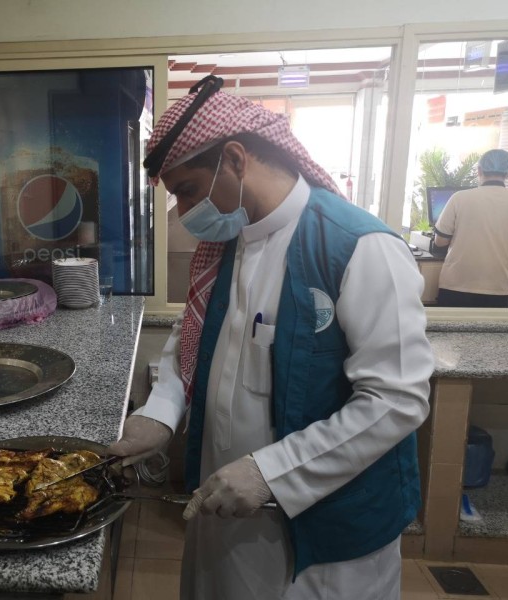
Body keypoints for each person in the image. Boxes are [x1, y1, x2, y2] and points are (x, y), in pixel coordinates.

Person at [106, 75, 434, 600]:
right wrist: (159, 414)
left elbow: (396, 399)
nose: (184, 213)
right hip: (225, 507)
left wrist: (272, 473)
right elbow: (193, 341)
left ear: (235, 160)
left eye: (187, 191)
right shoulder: (229, 241)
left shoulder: (359, 247)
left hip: (325, 537)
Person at [431, 148, 508, 308]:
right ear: (507, 174)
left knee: (450, 325)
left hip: (456, 285)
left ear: (479, 171)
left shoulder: (460, 198)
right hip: (499, 288)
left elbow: (440, 242)